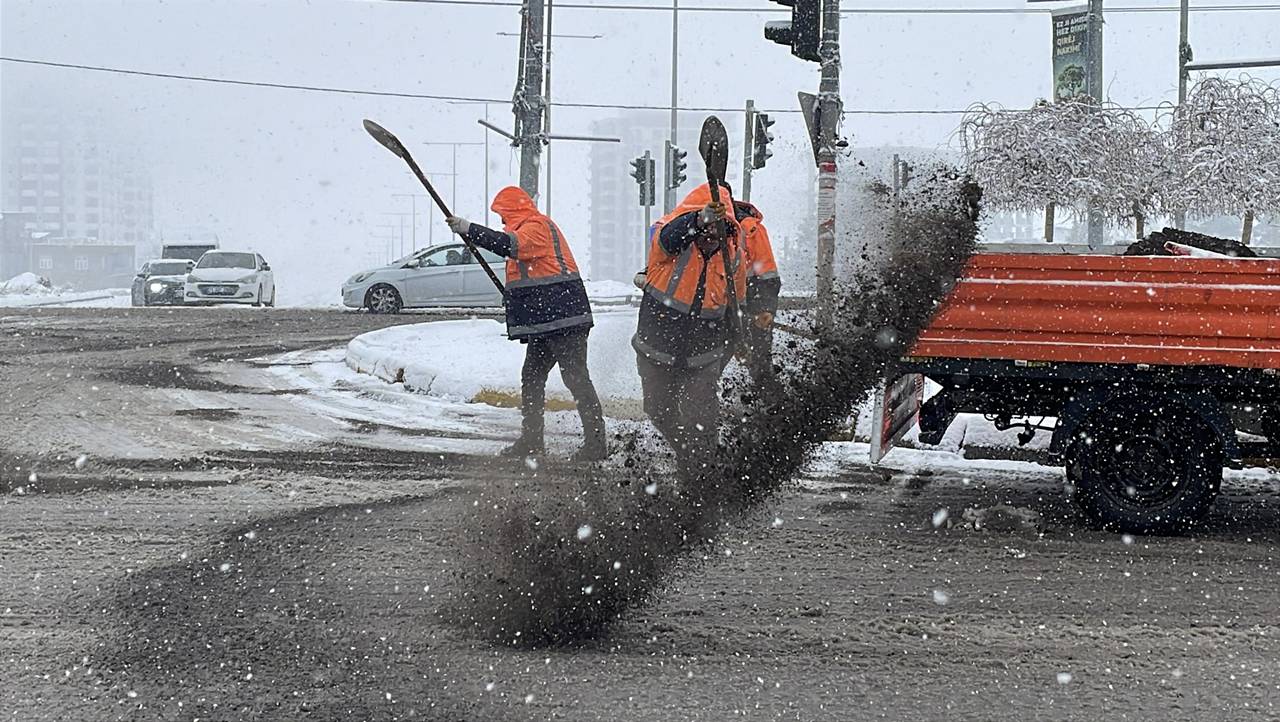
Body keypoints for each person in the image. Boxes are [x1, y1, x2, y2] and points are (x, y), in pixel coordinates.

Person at [445, 186, 607, 461]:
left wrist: (469, 228)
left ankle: (596, 444)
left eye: (503, 214)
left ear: (513, 210)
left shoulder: (537, 226)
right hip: (546, 321)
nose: (501, 221)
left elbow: (511, 246)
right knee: (532, 376)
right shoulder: (527, 228)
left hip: (565, 317)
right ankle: (532, 439)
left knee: (575, 378)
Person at [632, 183, 746, 476]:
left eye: (720, 226)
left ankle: (702, 476)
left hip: (702, 353)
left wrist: (740, 339)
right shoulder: (669, 242)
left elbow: (736, 305)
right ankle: (687, 453)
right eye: (709, 226)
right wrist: (698, 220)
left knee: (702, 418)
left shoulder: (732, 254)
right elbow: (669, 237)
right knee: (658, 409)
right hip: (657, 346)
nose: (712, 234)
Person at [733, 198, 781, 384]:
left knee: (758, 357)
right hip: (723, 302)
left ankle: (767, 401)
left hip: (752, 300)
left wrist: (765, 309)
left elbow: (768, 275)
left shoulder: (750, 229)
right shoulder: (705, 228)